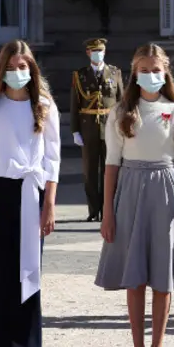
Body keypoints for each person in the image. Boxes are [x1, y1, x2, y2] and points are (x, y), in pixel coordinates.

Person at [95, 43, 174, 347]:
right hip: (130, 192)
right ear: (134, 73)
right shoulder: (120, 112)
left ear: (165, 71)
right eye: (144, 70)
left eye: (156, 70)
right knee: (135, 274)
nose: (150, 75)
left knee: (162, 271)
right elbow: (110, 165)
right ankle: (138, 344)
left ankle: (157, 343)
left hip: (165, 190)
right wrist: (107, 211)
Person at [0, 40, 61, 346]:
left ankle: (28, 340)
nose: (16, 72)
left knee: (29, 273)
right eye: (9, 68)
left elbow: (53, 159)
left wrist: (49, 205)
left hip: (31, 194)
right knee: (0, 274)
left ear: (31, 68)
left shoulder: (45, 106)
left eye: (22, 67)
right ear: (0, 70)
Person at [70, 38, 124, 222]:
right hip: (89, 128)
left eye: (100, 50)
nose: (98, 53)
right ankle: (94, 210)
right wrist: (75, 130)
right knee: (90, 172)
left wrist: (123, 126)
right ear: (88, 53)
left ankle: (110, 208)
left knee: (110, 170)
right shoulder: (80, 75)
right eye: (94, 51)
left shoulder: (115, 73)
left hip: (110, 127)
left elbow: (121, 102)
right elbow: (74, 105)